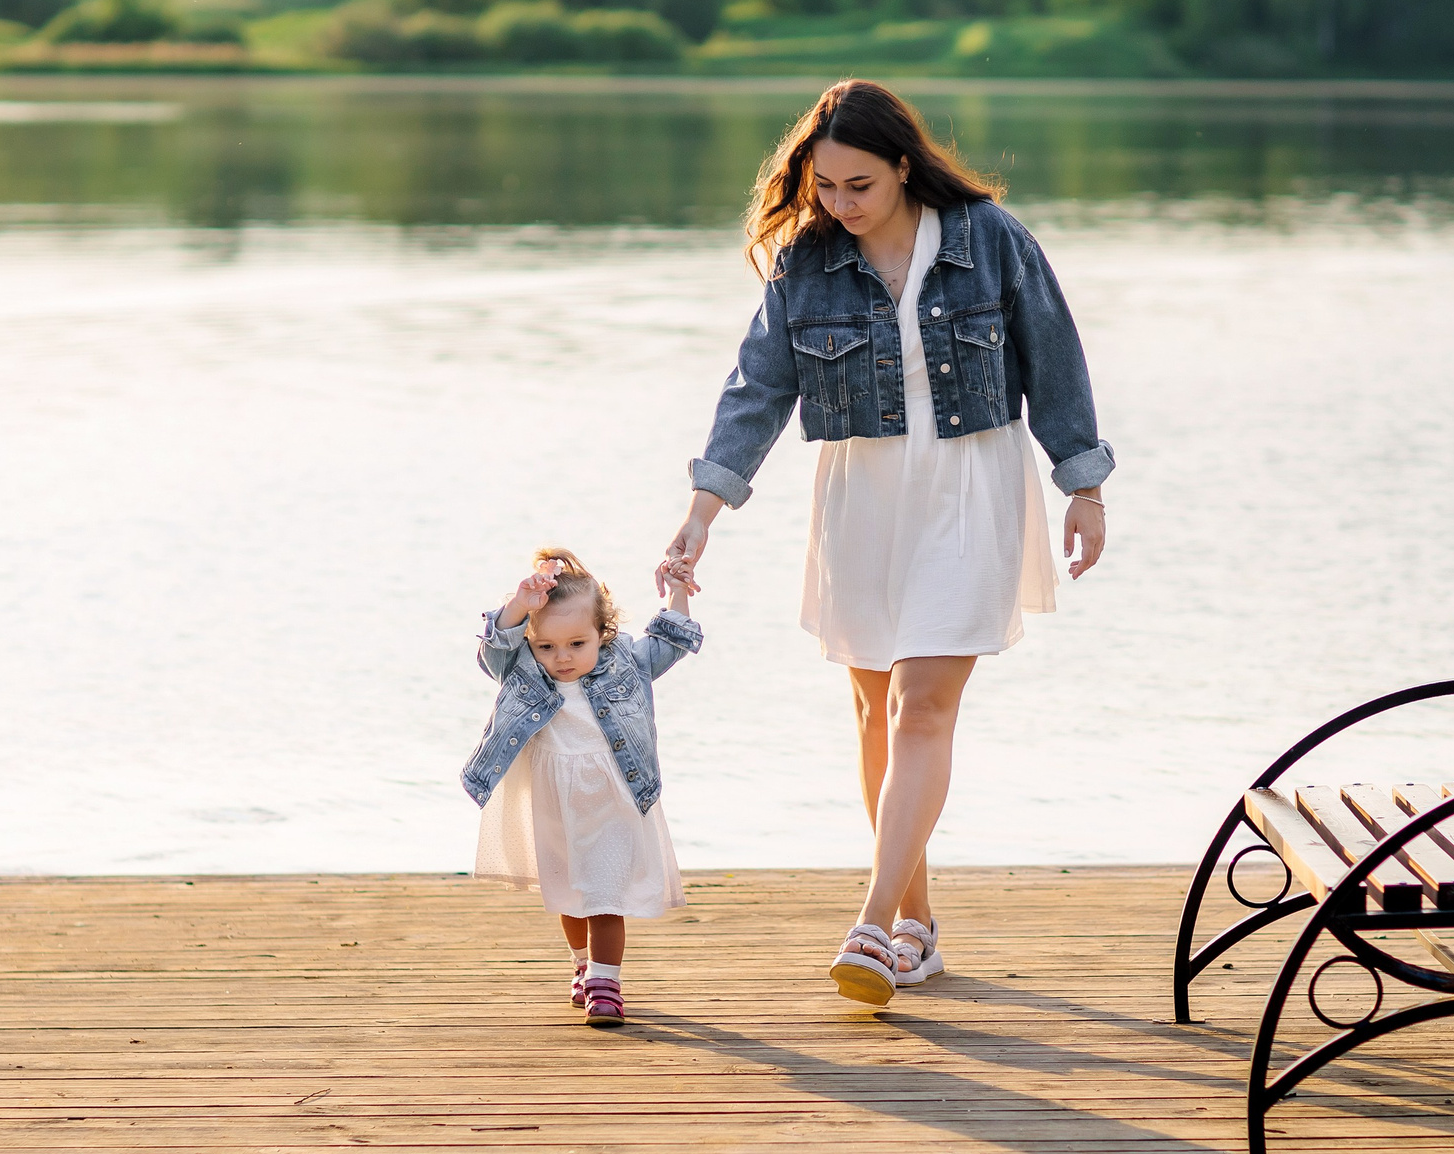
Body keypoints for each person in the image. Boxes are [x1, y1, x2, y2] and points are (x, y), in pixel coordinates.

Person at [658, 79, 1112, 1008]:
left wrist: (1085, 485)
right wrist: (702, 512)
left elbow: (1056, 356)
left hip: (969, 486)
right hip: (862, 496)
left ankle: (870, 923)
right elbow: (758, 388)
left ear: (906, 166)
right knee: (874, 713)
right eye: (825, 186)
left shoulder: (991, 239)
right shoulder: (808, 261)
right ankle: (919, 928)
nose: (841, 203)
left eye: (859, 184)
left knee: (922, 706)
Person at [463, 547, 703, 1027]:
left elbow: (670, 640)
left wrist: (678, 591)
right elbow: (494, 647)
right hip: (553, 798)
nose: (563, 658)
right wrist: (519, 603)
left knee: (604, 893)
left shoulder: (627, 662)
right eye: (547, 646)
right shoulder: (520, 667)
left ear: (602, 633)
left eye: (577, 643)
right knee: (567, 891)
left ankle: (605, 982)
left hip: (613, 796)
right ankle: (581, 964)